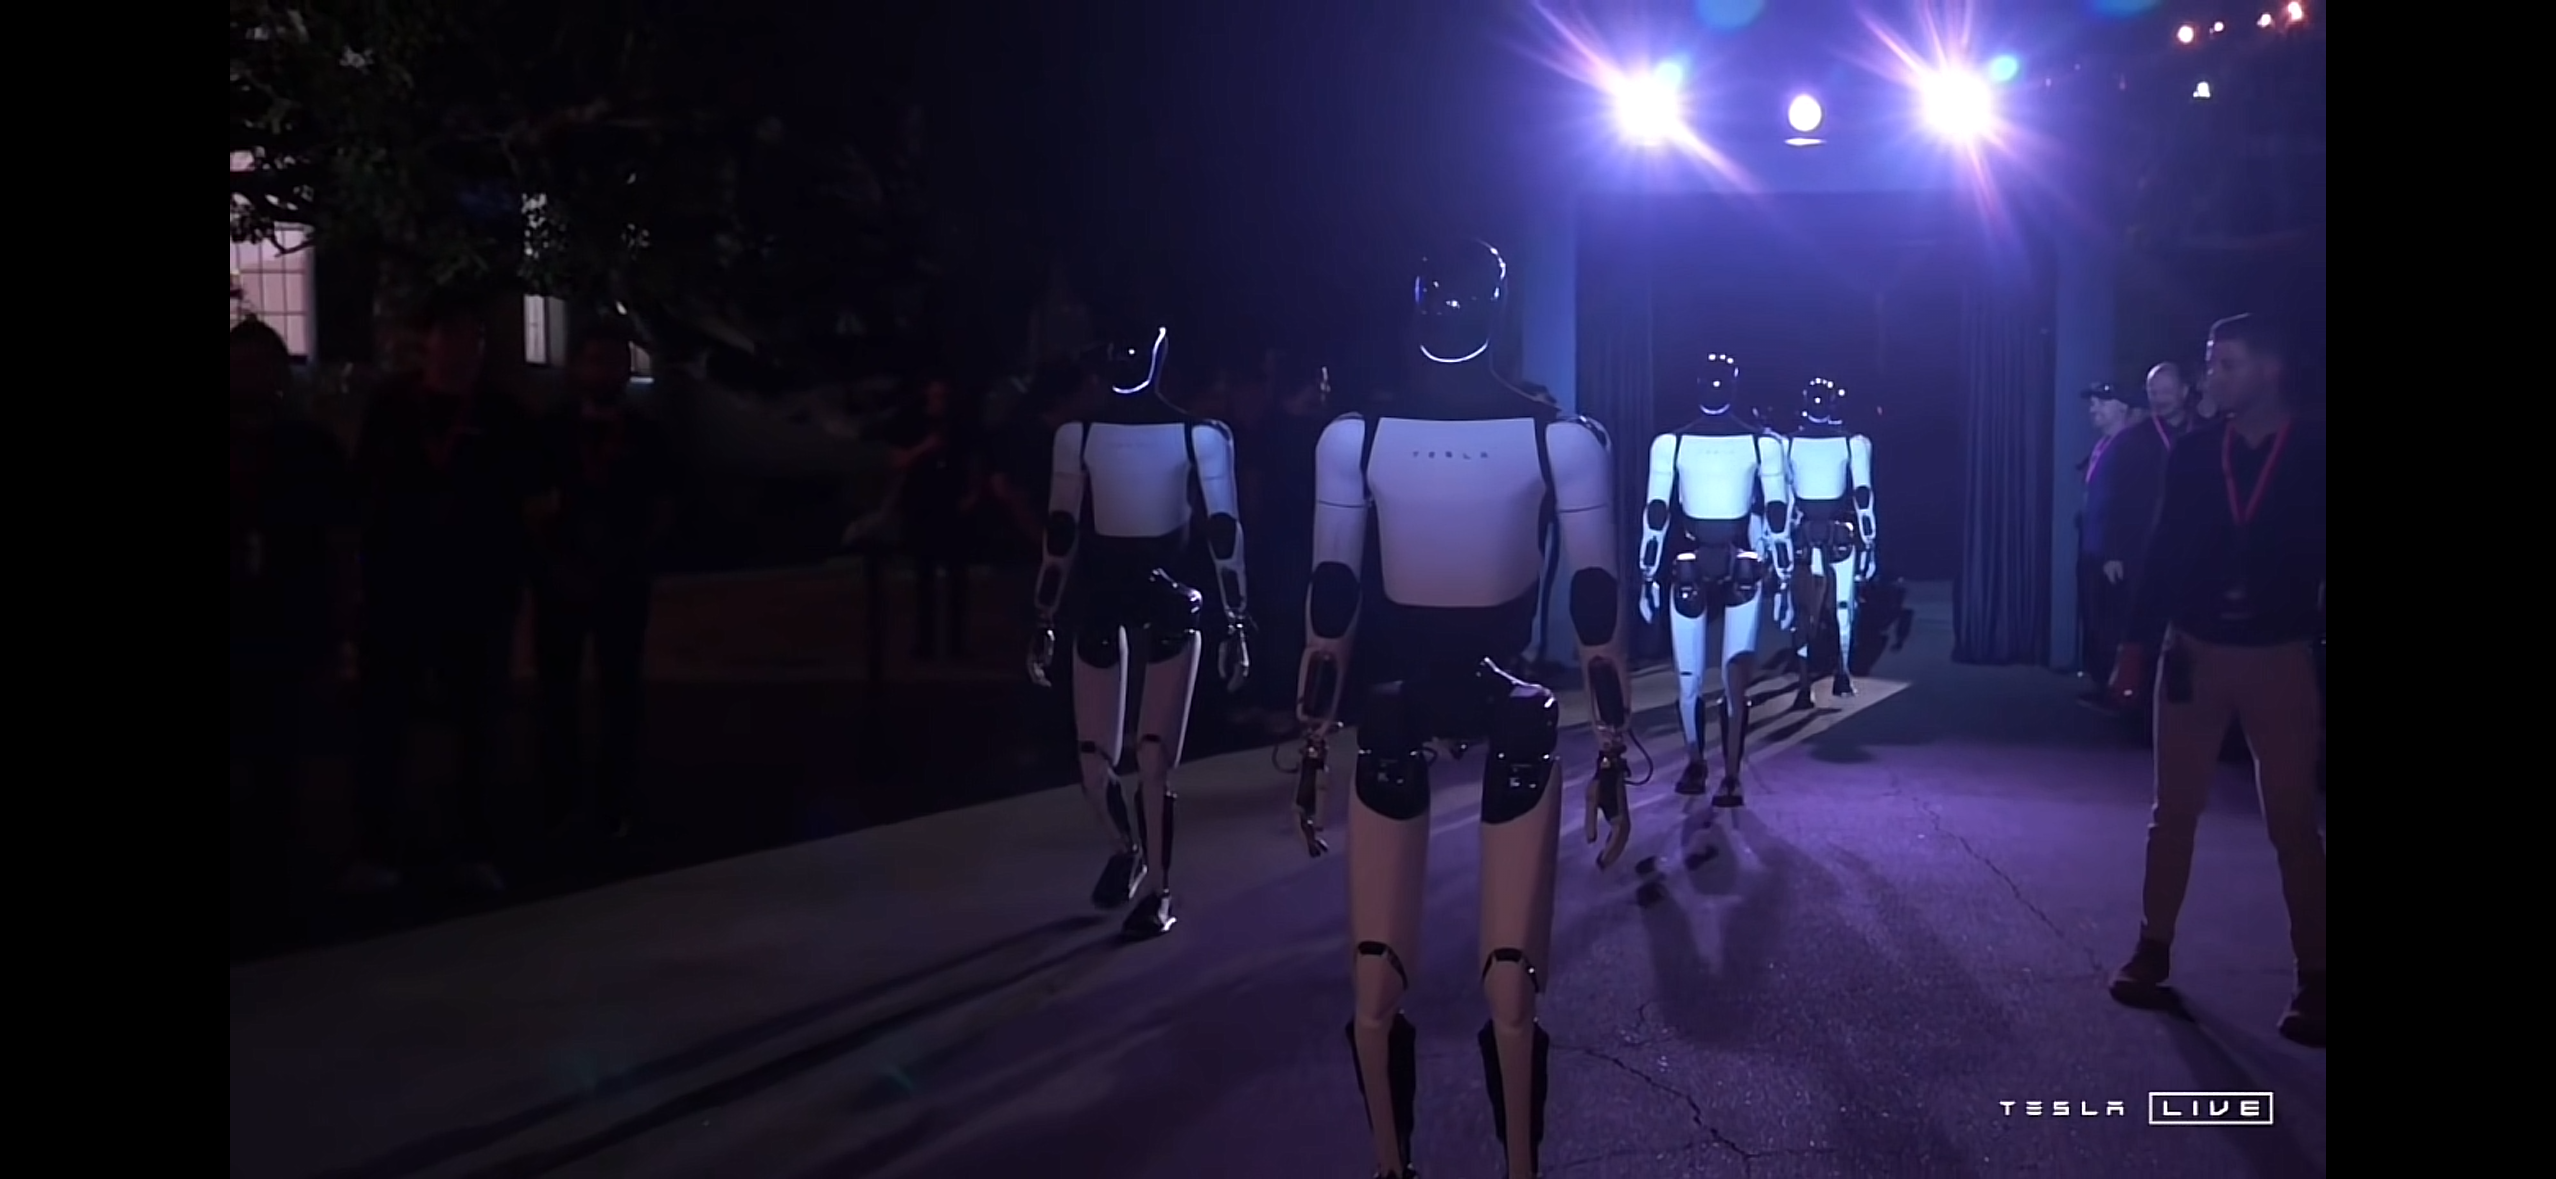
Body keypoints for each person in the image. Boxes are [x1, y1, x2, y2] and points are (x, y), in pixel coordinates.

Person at [2105, 313, 2325, 1047]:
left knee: (2292, 819)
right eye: (2210, 362)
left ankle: (2316, 975)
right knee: (2173, 810)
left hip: (2278, 653)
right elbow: (2164, 549)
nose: (2212, 377)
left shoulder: (2312, 451)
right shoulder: (2200, 453)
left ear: (2269, 370)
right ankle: (2152, 949)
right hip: (2194, 649)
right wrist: (2136, 644)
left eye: (2226, 364)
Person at [348, 294, 542, 895]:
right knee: (385, 721)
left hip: (478, 592)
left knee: (479, 725)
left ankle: (475, 847)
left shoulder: (503, 414)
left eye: (475, 337)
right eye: (453, 335)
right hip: (398, 589)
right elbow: (363, 492)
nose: (465, 348)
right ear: (427, 341)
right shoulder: (392, 406)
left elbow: (531, 499)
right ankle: (379, 849)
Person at [530, 324, 677, 840]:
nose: (604, 372)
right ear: (576, 367)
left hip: (622, 579)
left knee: (621, 691)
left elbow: (663, 506)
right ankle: (558, 799)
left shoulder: (647, 435)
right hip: (560, 578)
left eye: (614, 362)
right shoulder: (549, 432)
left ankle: (616, 800)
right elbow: (529, 503)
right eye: (595, 360)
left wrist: (633, 557)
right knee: (557, 692)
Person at [230, 319, 355, 904]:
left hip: (288, 616)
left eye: (259, 365)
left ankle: (275, 867)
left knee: (278, 749)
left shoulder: (309, 446)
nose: (248, 377)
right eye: (239, 366)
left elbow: (340, 537)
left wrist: (339, 621)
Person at [2075, 382, 2167, 707]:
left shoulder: (2133, 446)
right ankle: (2104, 682)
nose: (2094, 408)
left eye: (2102, 402)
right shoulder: (2106, 444)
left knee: (2113, 620)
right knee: (2097, 618)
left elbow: (2130, 504)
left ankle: (2118, 688)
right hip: (2094, 547)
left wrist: (2115, 552)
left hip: (2112, 552)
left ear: (2123, 407)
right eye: (2092, 402)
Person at [888, 375, 982, 660]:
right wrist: (923, 448)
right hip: (922, 505)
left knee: (957, 577)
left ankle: (956, 643)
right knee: (924, 577)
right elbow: (898, 461)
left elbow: (974, 461)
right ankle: (925, 642)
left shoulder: (961, 425)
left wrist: (972, 494)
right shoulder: (910, 424)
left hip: (952, 505)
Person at [2143, 362, 2209, 442]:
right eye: (2153, 393)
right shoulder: (2137, 437)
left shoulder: (2206, 429)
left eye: (2166, 392)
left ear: (2184, 391)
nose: (2159, 398)